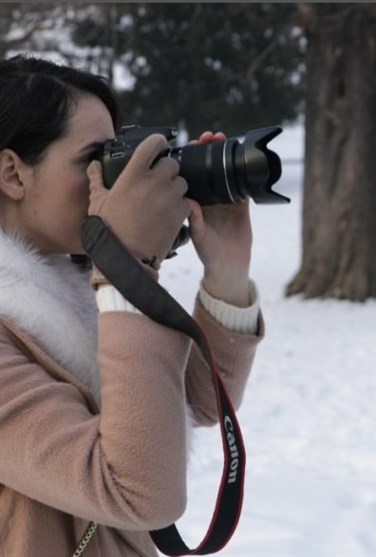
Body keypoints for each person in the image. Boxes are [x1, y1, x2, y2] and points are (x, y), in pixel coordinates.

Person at [0, 55, 263, 556]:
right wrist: (128, 272)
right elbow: (140, 492)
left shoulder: (68, 284)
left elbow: (192, 405)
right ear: (13, 173)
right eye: (92, 160)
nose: (112, 182)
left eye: (116, 155)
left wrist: (227, 273)